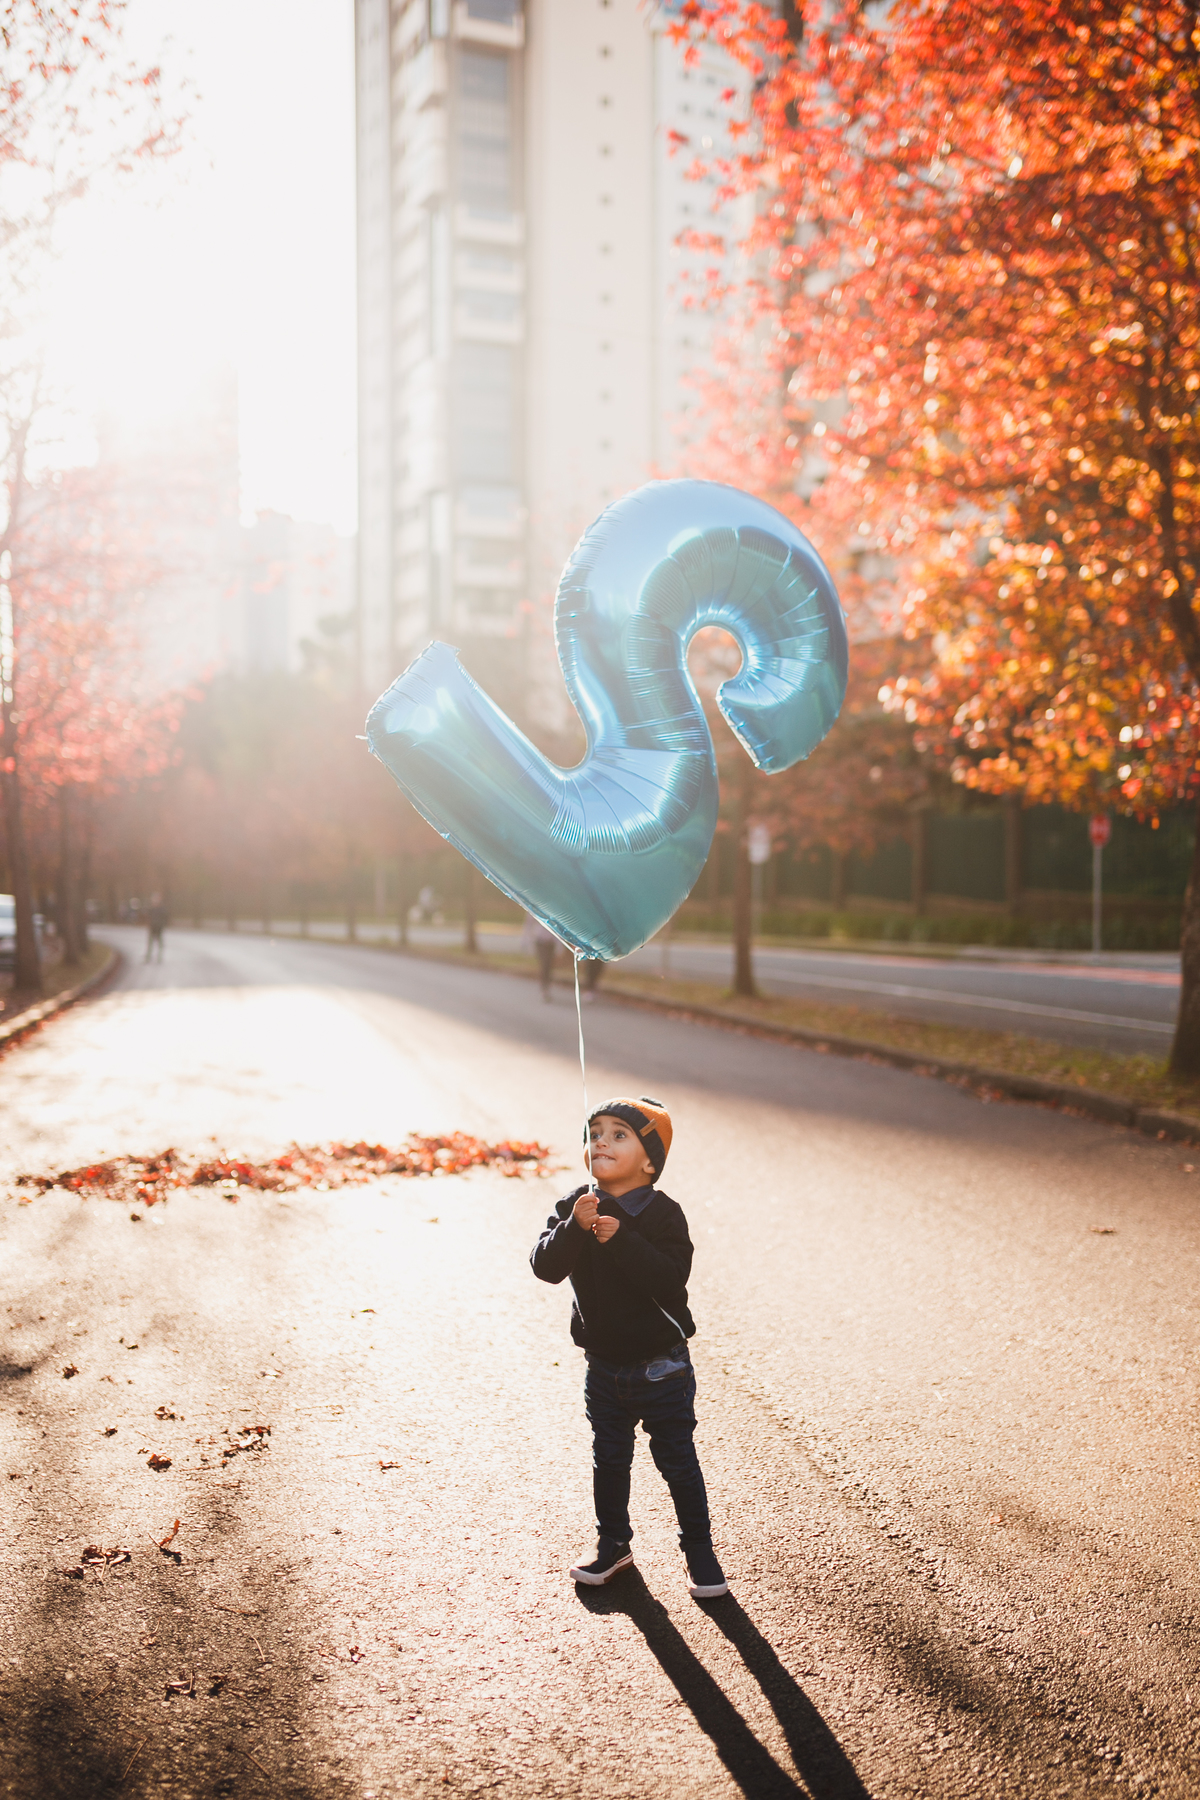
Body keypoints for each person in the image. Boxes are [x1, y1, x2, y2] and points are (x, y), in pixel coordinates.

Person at [530, 1096, 728, 1599]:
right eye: (595, 1133)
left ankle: (699, 1552)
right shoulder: (576, 1205)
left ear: (649, 1160)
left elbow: (669, 1280)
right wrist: (574, 1227)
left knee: (677, 1459)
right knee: (610, 1458)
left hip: (660, 1365)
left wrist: (620, 1238)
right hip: (603, 1366)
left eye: (619, 1134)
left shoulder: (663, 1214)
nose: (601, 1141)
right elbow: (545, 1267)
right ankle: (613, 1543)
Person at [521, 912, 558, 1001]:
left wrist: (559, 945)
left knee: (549, 965)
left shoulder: (552, 909)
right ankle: (544, 988)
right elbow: (528, 924)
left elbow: (557, 927)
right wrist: (525, 940)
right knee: (544, 964)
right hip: (540, 941)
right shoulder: (535, 908)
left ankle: (547, 986)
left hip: (551, 941)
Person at [145, 894, 168, 963]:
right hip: (152, 928)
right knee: (150, 943)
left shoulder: (162, 909)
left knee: (159, 943)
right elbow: (148, 917)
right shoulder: (151, 909)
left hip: (159, 928)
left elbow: (165, 918)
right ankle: (148, 957)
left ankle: (159, 957)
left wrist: (162, 925)